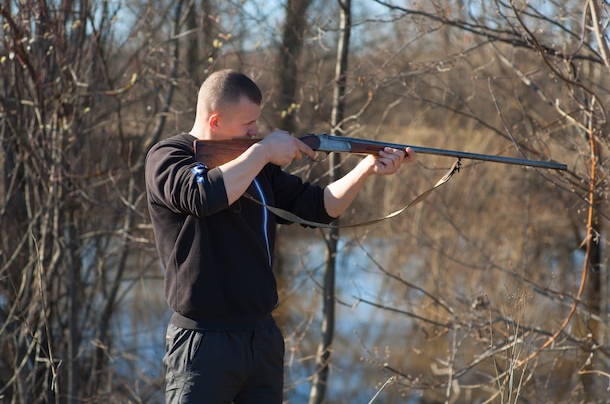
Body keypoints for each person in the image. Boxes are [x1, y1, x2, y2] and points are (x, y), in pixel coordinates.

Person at [144, 69, 414, 404]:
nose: (256, 131)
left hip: (262, 339)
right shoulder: (169, 156)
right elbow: (201, 195)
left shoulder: (258, 165)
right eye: (248, 124)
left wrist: (367, 167)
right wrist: (263, 152)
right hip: (203, 340)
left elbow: (320, 207)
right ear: (215, 120)